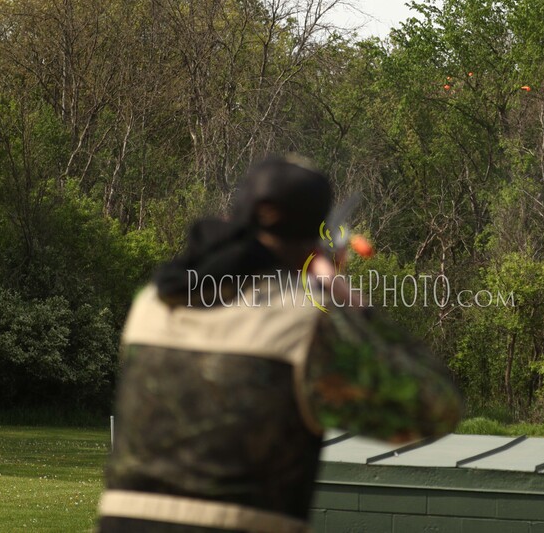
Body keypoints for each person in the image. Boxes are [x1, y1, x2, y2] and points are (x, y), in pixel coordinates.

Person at [96, 155, 462, 533]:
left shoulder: (153, 303)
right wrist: (348, 302)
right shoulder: (306, 323)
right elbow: (436, 409)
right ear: (311, 247)